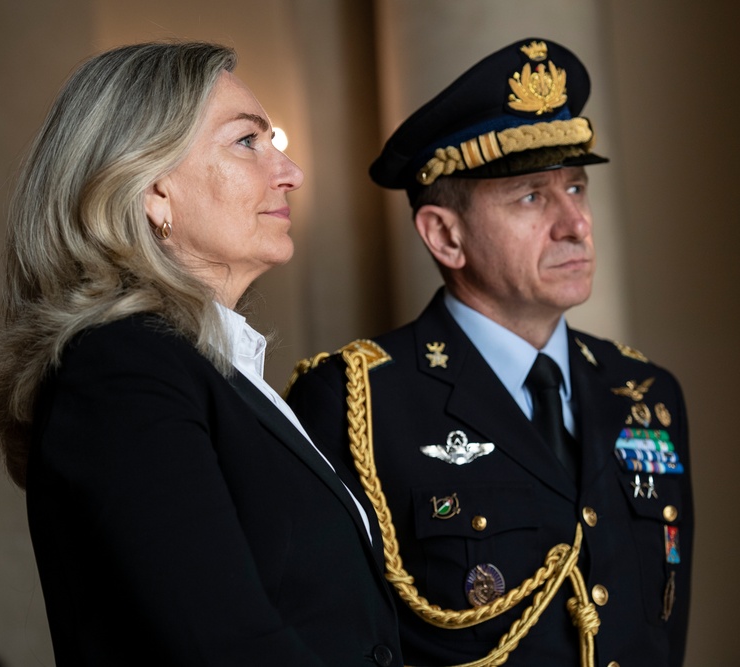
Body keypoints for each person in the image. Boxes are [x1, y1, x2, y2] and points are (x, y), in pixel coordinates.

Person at [0, 41, 401, 666]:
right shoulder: (121, 369)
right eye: (246, 142)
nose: (291, 171)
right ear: (152, 191)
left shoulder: (204, 369)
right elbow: (223, 646)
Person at [286, 38, 692, 667]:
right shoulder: (354, 402)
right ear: (445, 236)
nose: (574, 223)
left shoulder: (644, 393)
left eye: (577, 189)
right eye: (532, 196)